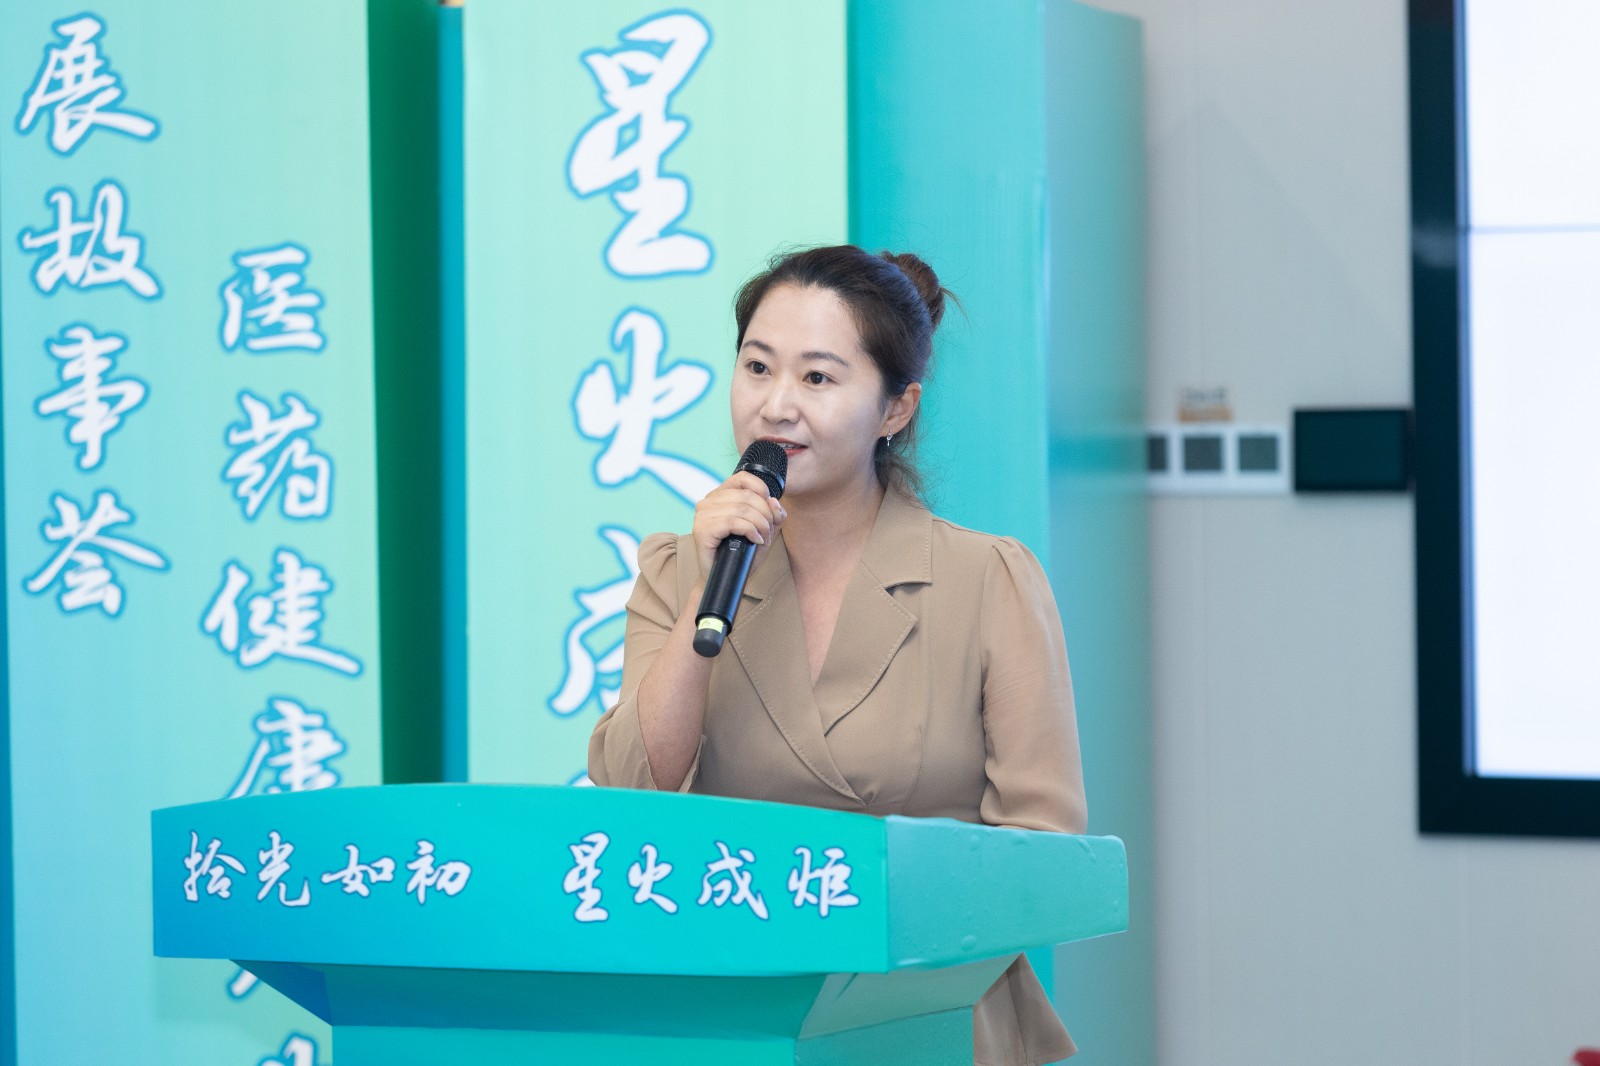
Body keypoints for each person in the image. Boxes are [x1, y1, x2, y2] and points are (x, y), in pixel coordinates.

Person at [588, 244, 1087, 1065]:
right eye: (757, 367)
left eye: (818, 378)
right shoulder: (679, 571)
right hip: (738, 1011)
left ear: (895, 409)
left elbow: (1043, 850)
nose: (776, 406)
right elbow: (630, 795)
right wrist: (705, 594)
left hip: (929, 1013)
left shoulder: (986, 578)